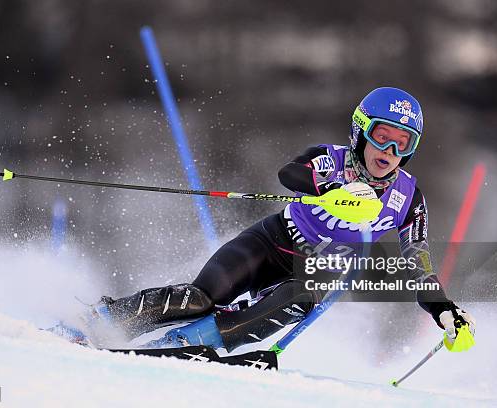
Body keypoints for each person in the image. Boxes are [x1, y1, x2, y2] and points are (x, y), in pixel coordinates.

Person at [60, 87, 475, 352]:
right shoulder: (329, 158)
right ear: (362, 131)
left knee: (298, 298)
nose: (390, 150)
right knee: (201, 298)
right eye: (383, 135)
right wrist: (331, 192)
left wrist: (444, 312)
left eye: (404, 143)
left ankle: (183, 344)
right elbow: (289, 173)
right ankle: (102, 322)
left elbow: (416, 265)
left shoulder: (409, 198)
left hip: (311, 272)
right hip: (271, 241)